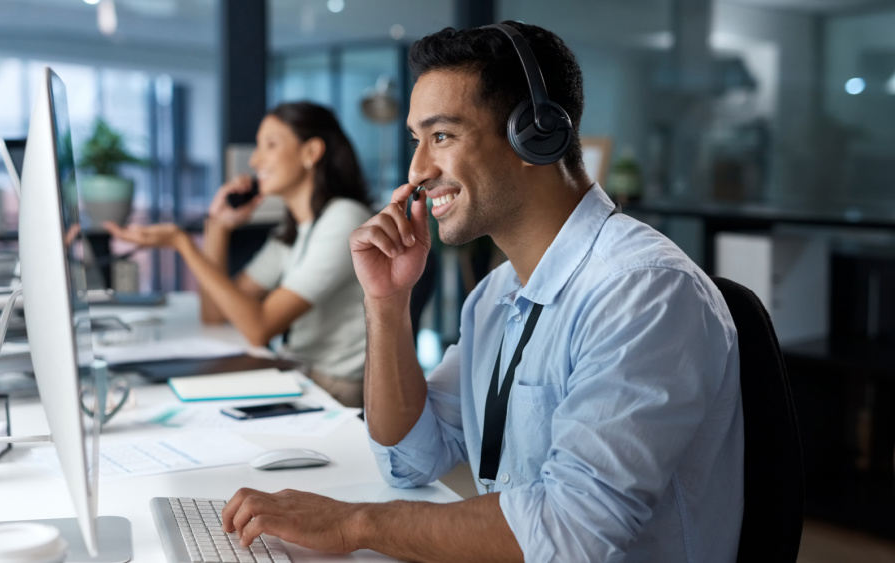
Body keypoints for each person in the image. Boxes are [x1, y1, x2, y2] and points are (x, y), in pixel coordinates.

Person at [219, 22, 743, 562]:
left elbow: (570, 532)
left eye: (442, 136)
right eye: (416, 141)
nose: (417, 170)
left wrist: (354, 523)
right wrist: (386, 303)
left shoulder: (642, 291)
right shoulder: (496, 296)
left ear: (535, 136)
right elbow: (409, 458)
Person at [105, 101, 373, 408]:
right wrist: (218, 227)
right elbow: (216, 313)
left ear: (311, 152)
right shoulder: (295, 228)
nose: (256, 160)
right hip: (302, 374)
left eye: (270, 145)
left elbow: (258, 328)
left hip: (335, 388)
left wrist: (183, 243)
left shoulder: (344, 220)